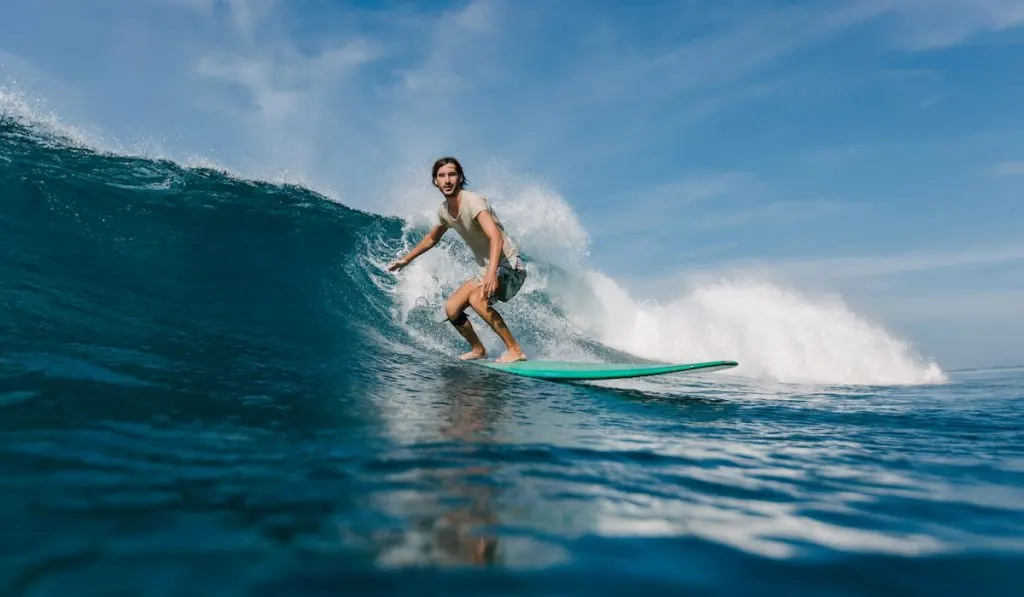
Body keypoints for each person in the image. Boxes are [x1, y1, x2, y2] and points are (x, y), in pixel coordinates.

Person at [388, 156, 528, 363]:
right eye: (441, 176)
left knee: (477, 300)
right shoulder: (444, 210)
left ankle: (515, 350)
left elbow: (495, 236)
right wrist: (406, 260)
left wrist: (491, 274)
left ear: (460, 177)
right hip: (487, 268)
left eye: (452, 174)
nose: (447, 180)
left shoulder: (473, 202)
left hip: (509, 264)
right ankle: (479, 349)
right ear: (435, 181)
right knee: (452, 308)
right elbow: (432, 238)